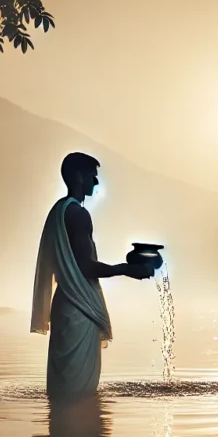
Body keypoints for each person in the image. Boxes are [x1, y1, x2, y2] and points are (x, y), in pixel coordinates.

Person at [31, 152, 153, 399]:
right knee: (78, 392)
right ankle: (78, 433)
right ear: (79, 177)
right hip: (80, 309)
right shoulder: (77, 214)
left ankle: (64, 433)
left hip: (65, 302)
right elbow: (86, 267)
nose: (96, 183)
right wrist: (126, 269)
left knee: (63, 389)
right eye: (92, 176)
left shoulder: (58, 211)